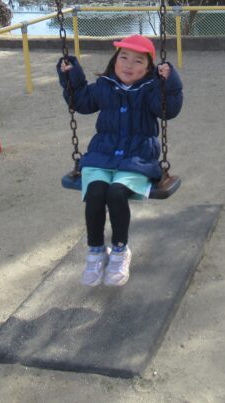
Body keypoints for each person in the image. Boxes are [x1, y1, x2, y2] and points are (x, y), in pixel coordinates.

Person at [57, 34, 183, 287]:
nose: (128, 65)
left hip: (137, 156)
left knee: (116, 193)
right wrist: (71, 74)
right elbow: (81, 101)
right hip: (102, 153)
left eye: (138, 61)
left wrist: (169, 82)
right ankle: (95, 251)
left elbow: (168, 110)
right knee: (95, 192)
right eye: (123, 57)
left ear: (149, 68)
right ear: (114, 61)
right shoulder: (104, 87)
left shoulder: (150, 90)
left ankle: (120, 251)